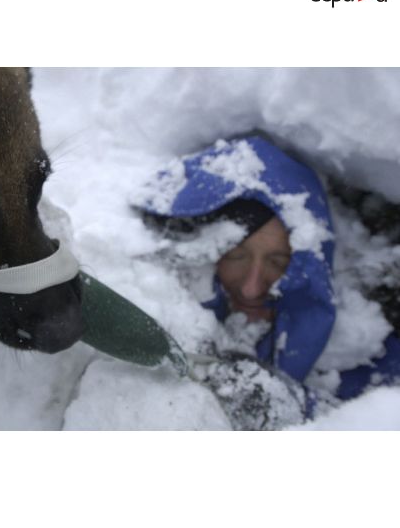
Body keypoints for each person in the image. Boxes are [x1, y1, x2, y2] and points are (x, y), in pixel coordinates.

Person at [134, 135, 400, 409]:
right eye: (236, 255)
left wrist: (291, 408)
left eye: (279, 261)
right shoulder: (146, 337)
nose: (252, 288)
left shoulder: (372, 368)